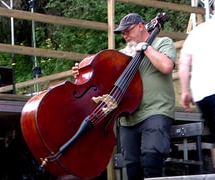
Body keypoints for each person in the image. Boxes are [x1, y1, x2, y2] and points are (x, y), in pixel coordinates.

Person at [72, 13, 176, 179]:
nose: (125, 36)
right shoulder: (122, 54)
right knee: (131, 166)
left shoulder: (162, 43)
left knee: (151, 159)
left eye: (128, 31)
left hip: (156, 110)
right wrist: (84, 72)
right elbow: (102, 76)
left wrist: (146, 47)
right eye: (122, 33)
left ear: (141, 26)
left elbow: (166, 66)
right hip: (128, 116)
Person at [178, 0, 215, 174]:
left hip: (203, 95)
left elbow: (183, 63)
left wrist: (185, 91)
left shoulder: (198, 31)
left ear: (213, 10)